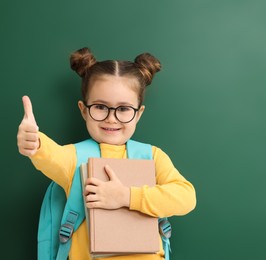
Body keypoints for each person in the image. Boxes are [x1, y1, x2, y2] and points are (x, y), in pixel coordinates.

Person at [17, 47, 197, 260]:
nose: (111, 118)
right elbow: (47, 154)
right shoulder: (74, 158)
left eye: (123, 109)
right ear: (84, 110)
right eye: (101, 107)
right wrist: (33, 141)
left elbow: (186, 198)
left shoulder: (152, 156)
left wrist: (125, 196)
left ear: (138, 114)